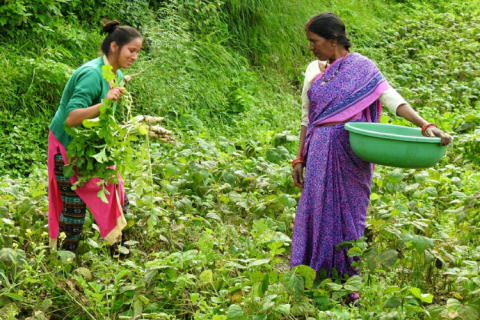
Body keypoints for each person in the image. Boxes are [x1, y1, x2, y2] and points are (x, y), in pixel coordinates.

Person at [290, 13, 451, 286]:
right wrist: (299, 156)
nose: (311, 47)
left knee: (349, 212)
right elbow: (307, 117)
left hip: (351, 152)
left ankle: (345, 277)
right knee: (316, 210)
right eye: (309, 41)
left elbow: (392, 100)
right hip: (318, 149)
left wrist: (426, 125)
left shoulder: (362, 67)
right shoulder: (311, 70)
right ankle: (314, 273)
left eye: (314, 41)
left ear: (333, 39)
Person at [48, 21, 142, 253]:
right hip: (68, 145)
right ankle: (62, 265)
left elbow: (102, 112)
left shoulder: (115, 73)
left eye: (137, 52)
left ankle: (119, 253)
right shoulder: (91, 74)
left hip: (91, 144)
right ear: (114, 47)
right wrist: (105, 103)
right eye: (131, 50)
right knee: (73, 211)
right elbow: (71, 117)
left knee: (117, 194)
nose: (135, 57)